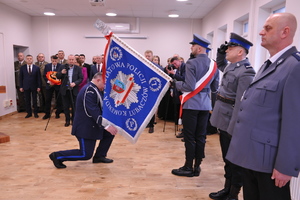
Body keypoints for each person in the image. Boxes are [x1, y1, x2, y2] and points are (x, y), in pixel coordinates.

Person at [226, 13, 300, 200]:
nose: (261, 32)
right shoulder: (269, 65)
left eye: (267, 28)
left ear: (285, 32)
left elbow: (295, 122)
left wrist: (285, 166)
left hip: (271, 164)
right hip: (253, 157)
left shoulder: (294, 67)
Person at [209, 33, 255, 200]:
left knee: (235, 162)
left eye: (231, 48)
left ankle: (233, 194)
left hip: (232, 123)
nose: (227, 50)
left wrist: (233, 128)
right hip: (224, 119)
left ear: (241, 52)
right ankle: (226, 189)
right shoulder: (232, 66)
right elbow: (220, 63)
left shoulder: (246, 72)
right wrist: (221, 53)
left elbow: (242, 103)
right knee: (227, 159)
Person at [171, 34, 219, 177]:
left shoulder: (192, 63)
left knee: (189, 136)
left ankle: (188, 166)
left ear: (198, 49)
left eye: (192, 46)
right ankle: (197, 166)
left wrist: (176, 83)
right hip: (205, 105)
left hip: (191, 105)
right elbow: (215, 87)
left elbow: (189, 86)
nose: (191, 48)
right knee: (201, 136)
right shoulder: (214, 64)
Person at [49, 72, 118, 169]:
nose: (106, 85)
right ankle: (57, 156)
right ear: (98, 80)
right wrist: (106, 125)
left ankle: (99, 156)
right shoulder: (89, 90)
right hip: (85, 127)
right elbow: (93, 111)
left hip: (93, 125)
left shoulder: (96, 89)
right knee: (85, 154)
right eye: (105, 83)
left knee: (110, 133)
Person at [56, 54, 83, 127]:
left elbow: (81, 78)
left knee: (74, 106)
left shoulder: (78, 68)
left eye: (72, 60)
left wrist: (75, 83)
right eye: (70, 59)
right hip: (65, 90)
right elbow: (57, 76)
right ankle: (67, 120)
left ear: (74, 60)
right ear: (67, 60)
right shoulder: (62, 67)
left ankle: (73, 120)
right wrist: (61, 73)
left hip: (74, 90)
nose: (71, 61)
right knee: (66, 106)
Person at [144, 50, 164, 133]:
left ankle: (151, 125)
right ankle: (147, 123)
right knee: (145, 108)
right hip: (144, 89)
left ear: (152, 56)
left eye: (149, 56)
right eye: (146, 56)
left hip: (153, 89)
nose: (148, 57)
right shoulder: (143, 65)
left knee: (151, 108)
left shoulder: (157, 67)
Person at [166, 56, 186, 137]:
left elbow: (184, 78)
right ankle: (184, 129)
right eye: (173, 64)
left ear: (179, 61)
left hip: (186, 93)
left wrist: (174, 74)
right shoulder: (179, 68)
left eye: (175, 63)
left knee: (185, 113)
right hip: (181, 92)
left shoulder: (185, 67)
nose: (175, 65)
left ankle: (185, 131)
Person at [42, 55, 63, 119]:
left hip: (58, 85)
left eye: (55, 61)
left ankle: (58, 113)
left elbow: (62, 76)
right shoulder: (47, 66)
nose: (54, 62)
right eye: (53, 61)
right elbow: (44, 75)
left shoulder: (61, 66)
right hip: (49, 85)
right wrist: (49, 81)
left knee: (59, 100)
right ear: (51, 60)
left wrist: (57, 81)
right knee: (48, 99)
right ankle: (47, 114)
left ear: (58, 60)